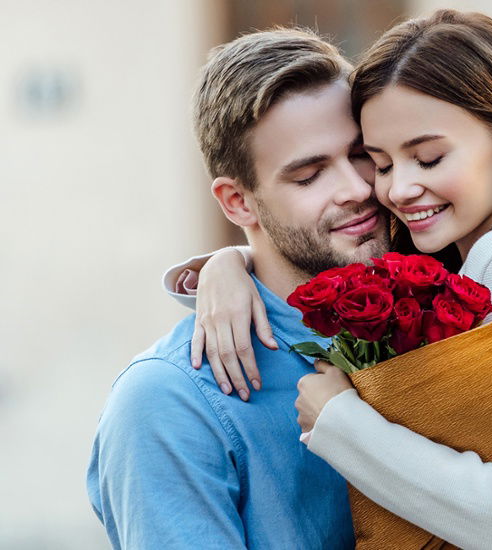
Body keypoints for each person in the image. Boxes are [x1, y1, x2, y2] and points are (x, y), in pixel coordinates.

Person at [167, 9, 492, 549]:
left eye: (428, 158)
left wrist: (339, 422)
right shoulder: (457, 262)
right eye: (381, 162)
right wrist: (228, 264)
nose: (396, 189)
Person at [86, 28, 391, 548]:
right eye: (310, 175)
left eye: (361, 154)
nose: (358, 188)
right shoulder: (167, 402)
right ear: (237, 203)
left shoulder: (435, 314)